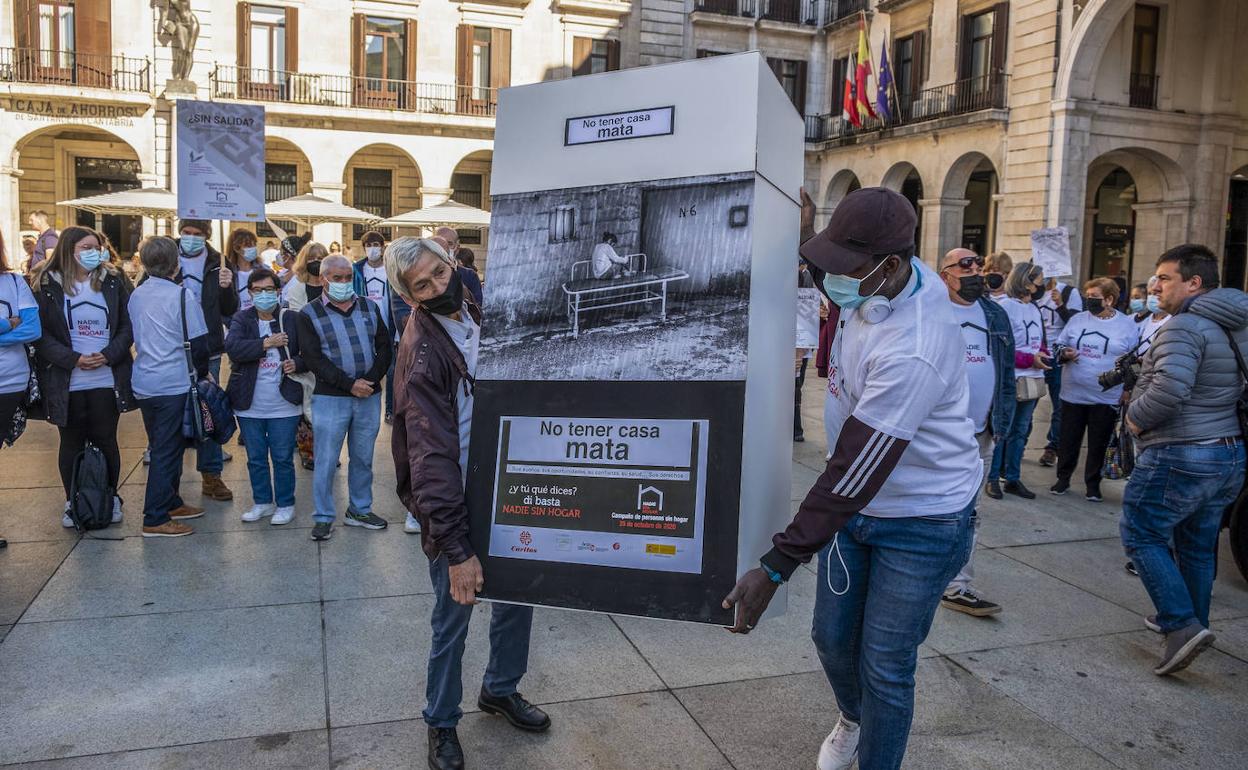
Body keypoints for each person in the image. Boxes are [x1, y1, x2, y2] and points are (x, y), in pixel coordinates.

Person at [722, 188, 978, 770]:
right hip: (856, 512)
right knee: (832, 641)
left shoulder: (915, 344)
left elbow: (855, 470)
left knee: (886, 663)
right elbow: (830, 267)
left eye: (846, 266)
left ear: (890, 267)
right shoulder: (874, 284)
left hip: (921, 519)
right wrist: (810, 232)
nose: (831, 278)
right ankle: (854, 718)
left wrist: (776, 565)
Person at [388, 236, 547, 770]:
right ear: (410, 296)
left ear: (452, 264)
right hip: (456, 497)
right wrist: (455, 548)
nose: (438, 285)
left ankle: (500, 689)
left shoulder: (474, 307)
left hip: (505, 482)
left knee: (518, 599)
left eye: (439, 271)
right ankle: (440, 721)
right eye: (422, 284)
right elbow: (429, 458)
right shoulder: (422, 350)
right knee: (454, 613)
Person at [1120, 244, 1248, 675]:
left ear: (1195, 283)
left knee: (1141, 533)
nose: (1155, 286)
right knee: (1196, 544)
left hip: (1182, 451)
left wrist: (1134, 419)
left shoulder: (1186, 326)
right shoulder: (1234, 324)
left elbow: (1170, 391)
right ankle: (1195, 623)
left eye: (1165, 278)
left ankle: (1180, 624)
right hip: (1227, 453)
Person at [30, 226, 134, 527]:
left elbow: (128, 325)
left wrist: (110, 354)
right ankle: (72, 499)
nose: (96, 252)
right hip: (66, 378)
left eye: (98, 246)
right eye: (88, 247)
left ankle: (110, 497)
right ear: (69, 250)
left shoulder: (113, 280)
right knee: (71, 441)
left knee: (106, 438)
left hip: (106, 377)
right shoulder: (46, 283)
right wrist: (73, 358)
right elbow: (41, 334)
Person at [937, 247, 1014, 617]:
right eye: (964, 265)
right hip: (935, 432)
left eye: (977, 265)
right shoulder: (930, 311)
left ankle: (957, 585)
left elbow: (1006, 374)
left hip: (981, 433)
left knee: (970, 511)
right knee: (929, 506)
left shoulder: (995, 314)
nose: (974, 271)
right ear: (945, 274)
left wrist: (1004, 425)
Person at [295, 254, 392, 541]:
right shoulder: (308, 314)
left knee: (363, 457)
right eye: (337, 278)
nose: (343, 283)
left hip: (368, 396)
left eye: (348, 277)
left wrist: (370, 381)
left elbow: (385, 347)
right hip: (331, 398)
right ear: (323, 278)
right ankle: (324, 516)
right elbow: (313, 359)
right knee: (325, 459)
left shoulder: (369, 307)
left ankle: (359, 510)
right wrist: (350, 384)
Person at [129, 236, 211, 538]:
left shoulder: (136, 295)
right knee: (166, 450)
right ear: (176, 265)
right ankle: (155, 516)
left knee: (165, 444)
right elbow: (200, 343)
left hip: (145, 381)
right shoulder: (182, 296)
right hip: (173, 381)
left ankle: (171, 501)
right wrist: (203, 373)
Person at [226, 268, 305, 525]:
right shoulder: (242, 319)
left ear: (278, 291)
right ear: (250, 292)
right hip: (249, 404)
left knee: (282, 458)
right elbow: (234, 349)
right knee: (256, 458)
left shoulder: (291, 318)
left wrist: (298, 364)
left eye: (269, 290)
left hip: (284, 404)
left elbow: (310, 352)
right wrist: (265, 343)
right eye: (258, 290)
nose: (263, 295)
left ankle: (285, 503)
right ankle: (262, 502)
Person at [1050, 278, 1139, 501]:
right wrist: (1064, 353)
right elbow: (1058, 345)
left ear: (1109, 299)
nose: (1089, 301)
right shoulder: (1078, 320)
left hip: (1106, 395)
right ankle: (1063, 478)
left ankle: (1093, 484)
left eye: (1094, 298)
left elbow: (1133, 361)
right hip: (1073, 392)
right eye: (1087, 296)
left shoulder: (1127, 325)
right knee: (1069, 439)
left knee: (1098, 442)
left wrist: (1127, 389)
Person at [176, 219, 238, 501]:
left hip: (207, 345)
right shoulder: (167, 256)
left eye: (197, 234)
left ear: (206, 236)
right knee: (173, 411)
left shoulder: (219, 262)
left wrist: (227, 287)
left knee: (208, 410)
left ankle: (211, 476)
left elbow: (230, 308)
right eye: (186, 233)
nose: (190, 238)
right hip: (172, 346)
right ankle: (169, 480)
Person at [986, 262, 1052, 500]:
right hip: (1011, 380)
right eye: (1039, 280)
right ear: (1026, 281)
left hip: (1033, 379)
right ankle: (992, 478)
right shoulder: (1004, 307)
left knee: (1021, 431)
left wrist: (1044, 354)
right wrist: (1029, 359)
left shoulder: (1034, 308)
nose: (1042, 285)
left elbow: (1039, 340)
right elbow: (999, 347)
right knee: (1002, 430)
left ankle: (1012, 478)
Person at [0, 229, 43, 548]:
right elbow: (18, 325)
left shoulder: (14, 283)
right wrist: (7, 323)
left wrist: (15, 325)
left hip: (10, 382)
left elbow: (32, 328)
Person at [352, 231, 406, 424]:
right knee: (364, 366)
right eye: (368, 244)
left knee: (391, 370)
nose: (372, 248)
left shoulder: (392, 269)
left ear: (383, 246)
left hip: (390, 325)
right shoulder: (356, 269)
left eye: (376, 244)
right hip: (364, 324)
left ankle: (390, 410)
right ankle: (360, 407)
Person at [1035, 276, 1083, 467]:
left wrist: (1061, 305)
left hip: (1056, 355)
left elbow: (1076, 322)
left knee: (1059, 406)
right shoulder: (1034, 292)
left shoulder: (1069, 292)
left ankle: (1052, 447)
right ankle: (1019, 444)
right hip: (1036, 354)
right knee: (1027, 401)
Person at [435, 226, 485, 307]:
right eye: (439, 244)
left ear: (457, 248)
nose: (444, 248)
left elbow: (477, 308)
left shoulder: (470, 275)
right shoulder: (424, 274)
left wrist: (453, 275)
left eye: (449, 243)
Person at [795, 260, 816, 442]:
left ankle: (796, 429)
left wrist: (799, 354)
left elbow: (807, 323)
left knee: (795, 387)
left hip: (798, 349)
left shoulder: (804, 286)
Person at [223, 228, 261, 319]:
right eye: (248, 245)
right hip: (237, 322)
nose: (253, 248)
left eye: (254, 244)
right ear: (236, 248)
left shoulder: (263, 270)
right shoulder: (227, 274)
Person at [1136, 276, 1171, 356]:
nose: (1151, 297)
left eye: (1155, 294)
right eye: (1149, 294)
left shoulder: (1172, 322)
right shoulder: (1145, 320)